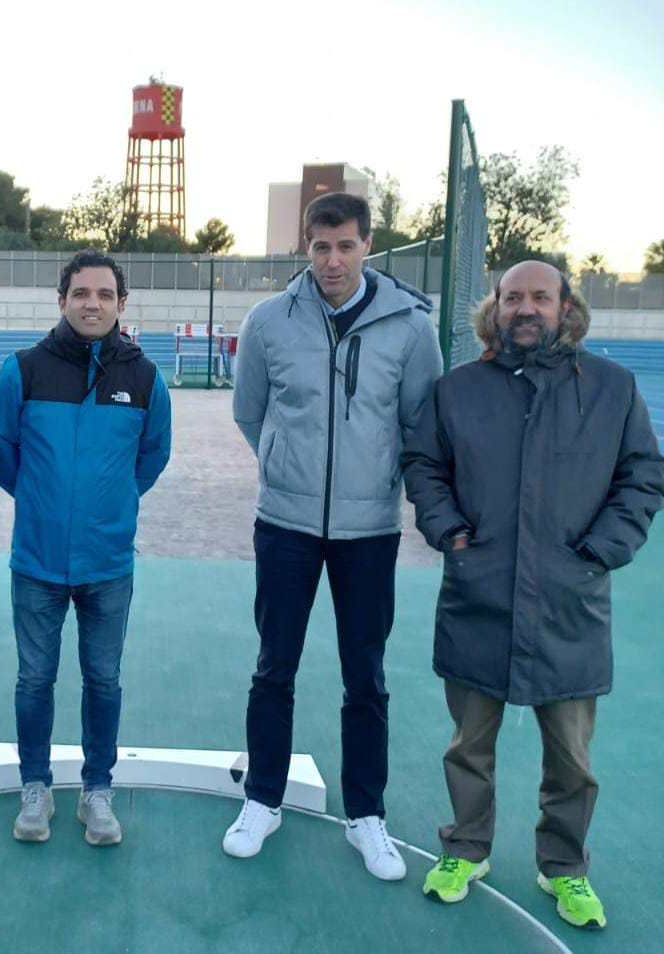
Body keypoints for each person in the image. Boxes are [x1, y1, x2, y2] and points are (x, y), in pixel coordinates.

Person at [402, 260, 663, 929]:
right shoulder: (459, 390)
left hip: (570, 603)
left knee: (572, 758)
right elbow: (424, 464)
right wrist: (451, 534)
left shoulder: (611, 388)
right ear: (496, 307)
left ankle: (565, 867)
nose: (525, 308)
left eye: (539, 297)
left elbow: (641, 476)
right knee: (468, 745)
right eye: (512, 296)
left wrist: (602, 550)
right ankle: (466, 847)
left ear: (565, 306)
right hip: (479, 596)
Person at [225, 192, 441, 879]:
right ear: (306, 249)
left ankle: (366, 816)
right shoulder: (268, 321)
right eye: (321, 247)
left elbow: (418, 425)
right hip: (284, 526)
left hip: (369, 531)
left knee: (365, 678)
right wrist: (287, 471)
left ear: (367, 245)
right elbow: (250, 411)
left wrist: (372, 486)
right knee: (273, 669)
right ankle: (263, 799)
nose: (333, 260)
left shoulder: (411, 329)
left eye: (346, 245)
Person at [0, 248, 171, 846]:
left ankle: (97, 790)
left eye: (105, 295)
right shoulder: (23, 370)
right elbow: (4, 454)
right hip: (37, 561)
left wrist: (110, 504)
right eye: (81, 294)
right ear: (61, 300)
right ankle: (34, 788)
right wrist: (43, 503)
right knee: (34, 680)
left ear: (122, 305)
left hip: (109, 563)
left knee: (104, 681)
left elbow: (152, 457)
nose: (93, 304)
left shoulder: (144, 378)